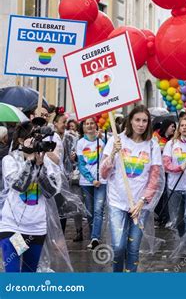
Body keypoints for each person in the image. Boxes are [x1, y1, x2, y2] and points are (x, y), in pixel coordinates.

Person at [100, 105, 162, 272]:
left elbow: (155, 177)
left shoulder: (152, 145)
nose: (141, 124)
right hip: (117, 202)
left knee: (133, 249)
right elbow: (104, 173)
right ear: (130, 121)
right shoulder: (116, 140)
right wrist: (113, 153)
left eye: (144, 121)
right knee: (119, 247)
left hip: (140, 205)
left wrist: (142, 202)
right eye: (137, 120)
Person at [0, 122, 60, 272]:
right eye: (31, 137)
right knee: (13, 274)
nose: (35, 141)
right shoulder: (10, 160)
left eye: (37, 138)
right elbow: (20, 186)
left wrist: (40, 166)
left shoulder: (45, 161)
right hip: (12, 226)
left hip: (36, 228)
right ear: (20, 140)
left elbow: (51, 192)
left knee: (29, 275)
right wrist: (29, 162)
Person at [162, 116, 186, 237]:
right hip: (174, 186)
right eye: (182, 125)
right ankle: (182, 237)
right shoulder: (171, 144)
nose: (184, 128)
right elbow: (166, 165)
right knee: (177, 219)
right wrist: (178, 168)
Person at [53, 108, 83, 241]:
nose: (65, 124)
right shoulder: (49, 138)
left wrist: (74, 159)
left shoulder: (70, 138)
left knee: (64, 208)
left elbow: (74, 159)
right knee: (54, 209)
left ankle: (60, 238)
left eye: (66, 122)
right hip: (52, 179)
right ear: (54, 123)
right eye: (63, 122)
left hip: (65, 179)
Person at [76, 118, 107, 250]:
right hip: (86, 182)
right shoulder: (80, 143)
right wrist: (91, 179)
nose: (89, 126)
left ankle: (95, 237)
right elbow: (81, 165)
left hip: (102, 181)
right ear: (83, 127)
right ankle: (93, 234)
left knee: (98, 210)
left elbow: (107, 159)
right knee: (89, 211)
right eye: (86, 124)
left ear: (96, 125)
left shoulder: (102, 141)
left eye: (91, 123)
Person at [153, 118, 176, 227]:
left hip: (169, 170)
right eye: (172, 126)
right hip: (158, 170)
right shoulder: (156, 136)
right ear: (166, 127)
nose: (174, 129)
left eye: (175, 127)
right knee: (159, 193)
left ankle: (165, 217)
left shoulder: (173, 140)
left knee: (167, 194)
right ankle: (158, 214)